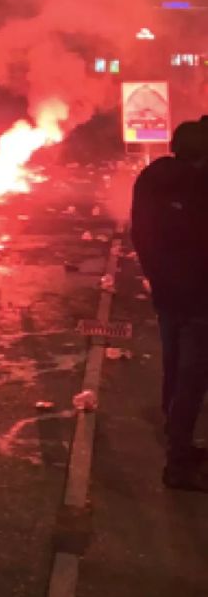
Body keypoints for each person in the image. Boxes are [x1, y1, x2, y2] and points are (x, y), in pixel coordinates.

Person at [131, 120, 208, 492]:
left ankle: (174, 436)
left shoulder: (149, 178)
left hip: (165, 293)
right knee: (192, 379)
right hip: (198, 298)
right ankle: (178, 462)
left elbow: (139, 231)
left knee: (174, 367)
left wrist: (153, 275)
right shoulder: (197, 186)